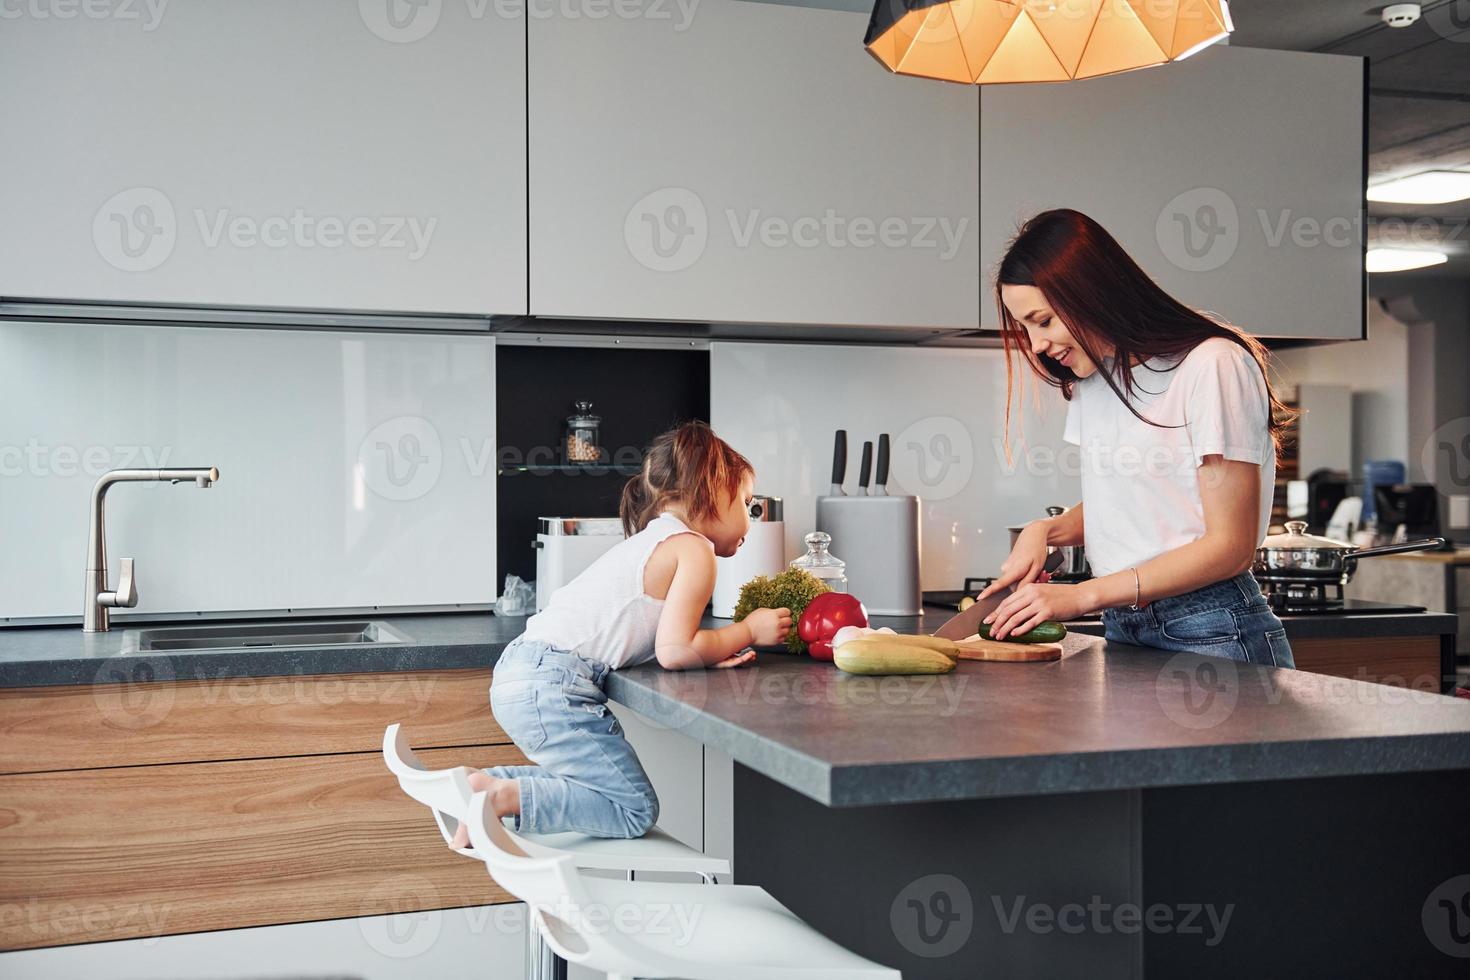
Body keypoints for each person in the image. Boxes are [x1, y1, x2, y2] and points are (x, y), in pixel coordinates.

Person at [978, 209, 1295, 668]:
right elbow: (1133, 503)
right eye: (1025, 328)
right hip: (1124, 626)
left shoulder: (1212, 365)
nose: (1037, 345)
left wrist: (1083, 595)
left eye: (1042, 321)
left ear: (1091, 294)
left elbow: (1231, 547)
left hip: (1210, 625)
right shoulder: (1094, 382)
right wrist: (1045, 530)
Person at [449, 421, 790, 845]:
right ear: (711, 489)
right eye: (746, 502)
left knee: (604, 792)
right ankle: (499, 797)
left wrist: (705, 650)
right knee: (633, 808)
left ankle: (484, 786)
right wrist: (748, 630)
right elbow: (675, 649)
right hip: (554, 683)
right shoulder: (694, 548)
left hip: (522, 670)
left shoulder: (654, 539)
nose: (751, 519)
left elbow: (657, 636)